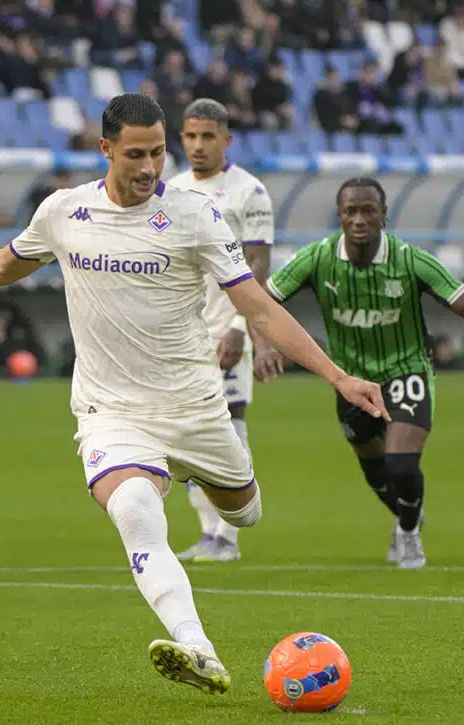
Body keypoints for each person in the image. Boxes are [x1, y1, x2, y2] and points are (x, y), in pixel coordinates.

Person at [0, 93, 389, 695]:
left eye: (158, 153)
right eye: (135, 154)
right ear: (105, 148)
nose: (148, 167)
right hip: (110, 411)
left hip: (194, 407)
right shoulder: (64, 211)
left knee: (244, 509)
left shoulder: (195, 216)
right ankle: (198, 647)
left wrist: (338, 376)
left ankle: (199, 479)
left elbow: (261, 312)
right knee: (135, 510)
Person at [257, 178, 464, 570]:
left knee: (401, 465)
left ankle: (408, 532)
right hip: (351, 382)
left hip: (406, 371)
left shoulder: (409, 260)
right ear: (339, 216)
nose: (359, 219)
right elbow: (260, 302)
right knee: (376, 473)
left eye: (368, 210)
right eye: (351, 211)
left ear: (383, 214)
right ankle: (408, 513)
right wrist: (263, 346)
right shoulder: (317, 259)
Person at [168, 98, 276, 564]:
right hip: (183, 336)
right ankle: (209, 532)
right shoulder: (170, 190)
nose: (197, 146)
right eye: (190, 137)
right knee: (182, 437)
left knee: (229, 430)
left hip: (227, 332)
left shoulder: (249, 192)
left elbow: (258, 266)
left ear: (226, 139)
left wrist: (239, 327)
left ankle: (229, 536)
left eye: (207, 136)